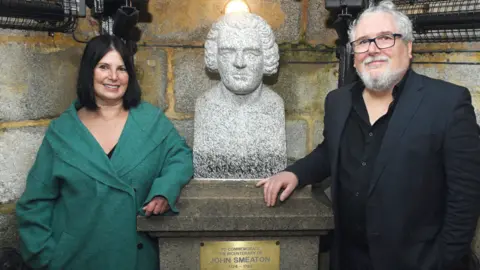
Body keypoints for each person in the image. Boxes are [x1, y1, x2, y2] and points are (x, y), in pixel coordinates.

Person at [257, 1, 480, 269]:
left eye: (385, 38)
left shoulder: (448, 103)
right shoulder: (338, 101)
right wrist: (295, 173)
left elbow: (465, 197)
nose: (372, 49)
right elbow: (331, 150)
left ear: (408, 47)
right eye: (362, 42)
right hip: (348, 259)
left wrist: (444, 262)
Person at [16, 34, 193, 270]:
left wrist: (164, 191)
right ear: (89, 71)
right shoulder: (63, 131)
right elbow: (34, 203)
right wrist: (48, 258)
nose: (113, 76)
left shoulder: (151, 121)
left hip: (137, 259)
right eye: (103, 67)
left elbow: (181, 157)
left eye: (121, 68)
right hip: (75, 259)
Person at [193, 12, 286, 179]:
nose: (239, 63)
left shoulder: (275, 105)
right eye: (228, 52)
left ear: (267, 58)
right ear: (215, 57)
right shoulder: (204, 105)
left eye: (251, 53)